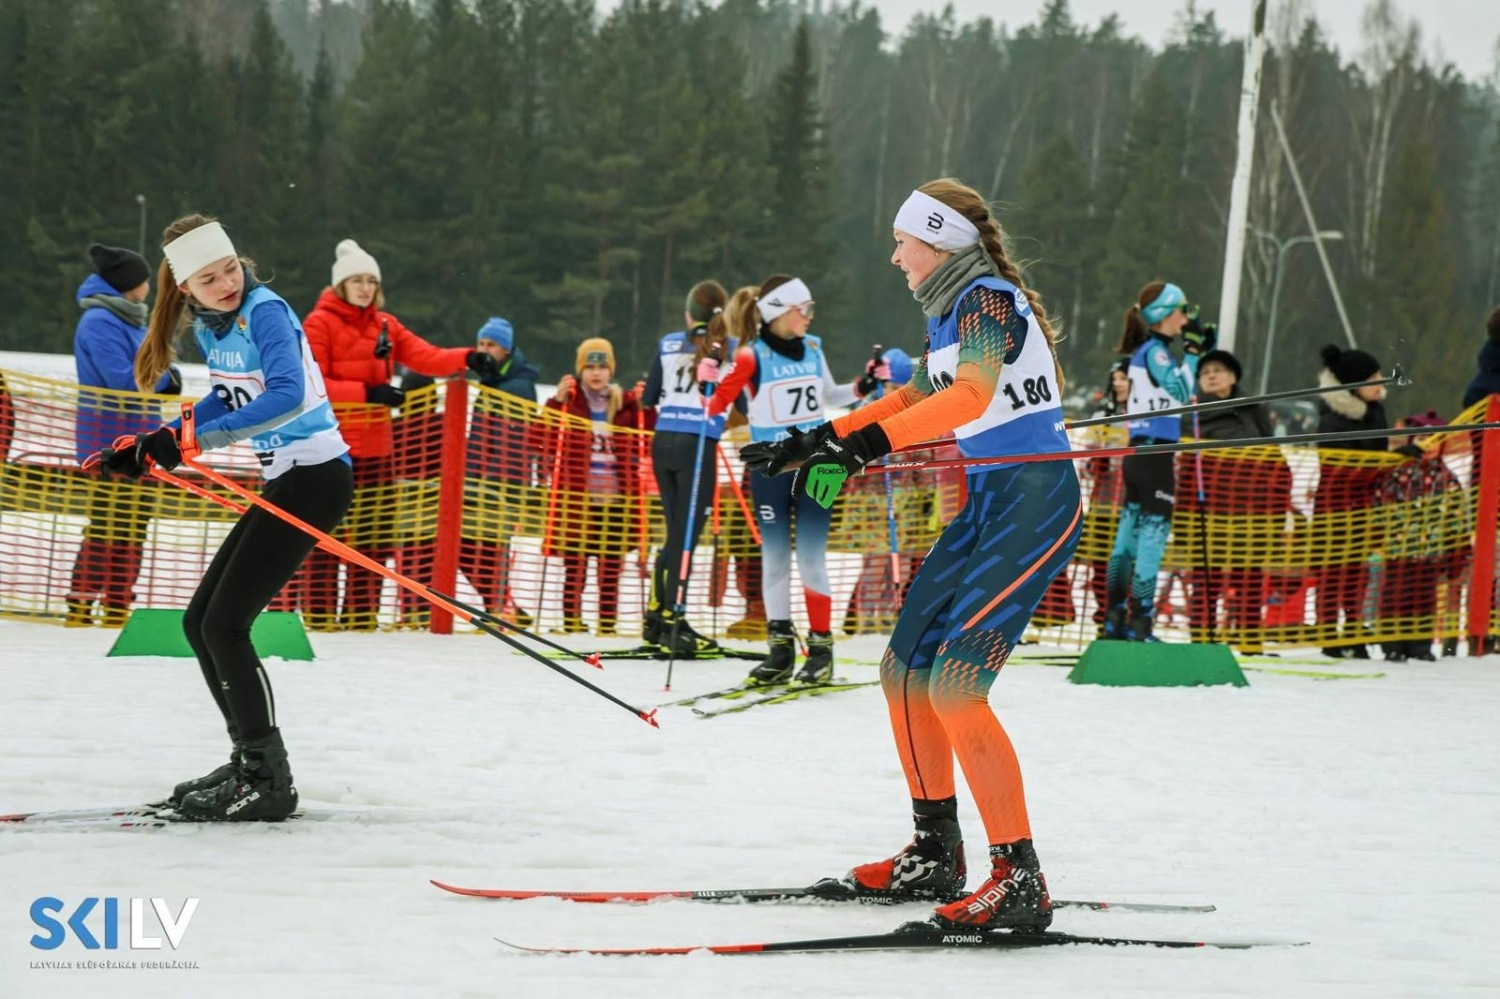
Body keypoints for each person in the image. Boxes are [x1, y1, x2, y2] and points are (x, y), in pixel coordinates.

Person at [743, 179, 1079, 932]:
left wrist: (862, 444)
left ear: (939, 240)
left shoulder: (988, 299)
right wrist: (827, 435)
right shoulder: (953, 312)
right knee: (904, 670)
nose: (896, 258)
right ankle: (936, 849)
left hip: (1033, 502)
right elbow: (911, 395)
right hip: (991, 499)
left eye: (904, 242)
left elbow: (966, 397)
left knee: (956, 684)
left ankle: (1018, 876)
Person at [94, 213, 353, 821]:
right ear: (185, 287)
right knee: (200, 623)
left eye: (230, 268)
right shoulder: (215, 328)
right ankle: (247, 761)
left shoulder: (264, 309)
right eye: (209, 278)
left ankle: (268, 779)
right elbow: (228, 396)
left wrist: (191, 446)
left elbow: (284, 395)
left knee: (225, 625)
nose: (226, 282)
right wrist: (159, 438)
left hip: (316, 479)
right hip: (288, 480)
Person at [302, 239, 498, 630]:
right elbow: (311, 381)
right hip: (332, 448)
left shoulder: (385, 325)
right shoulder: (318, 323)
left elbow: (425, 355)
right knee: (324, 537)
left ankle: (361, 617)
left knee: (373, 538)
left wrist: (466, 358)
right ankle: (320, 618)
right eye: (356, 280)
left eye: (370, 281)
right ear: (340, 285)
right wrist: (367, 393)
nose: (364, 288)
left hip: (377, 450)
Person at [708, 276, 868, 684]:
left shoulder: (813, 348)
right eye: (804, 309)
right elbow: (714, 405)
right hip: (771, 467)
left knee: (812, 558)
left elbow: (830, 395)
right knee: (776, 558)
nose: (810, 317)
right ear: (780, 312)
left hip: (818, 464)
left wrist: (862, 386)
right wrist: (710, 378)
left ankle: (820, 652)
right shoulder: (750, 357)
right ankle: (780, 652)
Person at [68, 243, 181, 627]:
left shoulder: (128, 319)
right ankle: (83, 601)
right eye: (145, 279)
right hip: (109, 441)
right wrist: (165, 381)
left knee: (133, 524)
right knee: (107, 524)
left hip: (137, 439)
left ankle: (117, 602)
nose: (149, 285)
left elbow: (143, 366)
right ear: (130, 284)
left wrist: (164, 374)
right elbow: (122, 379)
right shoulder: (101, 322)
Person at [1102, 281, 1213, 641]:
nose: (1187, 315)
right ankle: (1140, 620)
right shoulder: (1156, 353)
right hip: (1154, 457)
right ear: (1165, 315)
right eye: (1182, 309)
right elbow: (1181, 393)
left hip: (1143, 453)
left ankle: (1116, 618)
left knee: (1129, 538)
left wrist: (1196, 349)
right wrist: (1194, 354)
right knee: (1151, 538)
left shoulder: (1152, 351)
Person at [639, 280, 739, 657]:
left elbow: (649, 397)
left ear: (688, 314)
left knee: (675, 534)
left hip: (662, 443)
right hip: (696, 446)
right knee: (685, 538)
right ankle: (672, 619)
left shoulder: (667, 342)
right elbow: (742, 399)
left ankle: (657, 615)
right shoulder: (729, 349)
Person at [1177, 349, 1289, 651]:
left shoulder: (1254, 411)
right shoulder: (1192, 417)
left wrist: (1279, 509)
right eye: (1205, 372)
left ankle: (1251, 641)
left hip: (1252, 515)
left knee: (1249, 580)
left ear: (1234, 377)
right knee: (1206, 581)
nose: (1211, 375)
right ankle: (1202, 642)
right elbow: (1185, 471)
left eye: (1218, 370)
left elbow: (1274, 458)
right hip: (1209, 514)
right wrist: (1183, 520)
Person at [540, 337, 648, 635]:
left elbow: (650, 437)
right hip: (578, 499)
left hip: (615, 500)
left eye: (602, 366)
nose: (596, 373)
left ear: (611, 370)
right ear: (580, 370)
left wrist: (646, 405)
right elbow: (540, 440)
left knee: (610, 566)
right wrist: (555, 402)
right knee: (575, 564)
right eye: (589, 367)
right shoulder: (571, 402)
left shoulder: (625, 404)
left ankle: (607, 622)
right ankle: (571, 619)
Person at [459, 317, 543, 627]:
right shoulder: (491, 381)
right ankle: (500, 604)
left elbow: (509, 444)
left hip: (500, 485)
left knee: (490, 548)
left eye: (491, 345)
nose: (484, 350)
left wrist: (481, 483)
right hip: (481, 481)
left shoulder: (517, 386)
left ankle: (500, 605)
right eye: (481, 344)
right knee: (472, 547)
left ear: (506, 350)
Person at [1313, 344, 1388, 659]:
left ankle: (1355, 630)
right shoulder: (1332, 422)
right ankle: (1329, 633)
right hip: (1335, 505)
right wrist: (1390, 461)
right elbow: (1352, 466)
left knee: (1359, 571)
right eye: (1374, 378)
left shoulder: (1376, 413)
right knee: (1333, 570)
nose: (1381, 382)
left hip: (1366, 504)